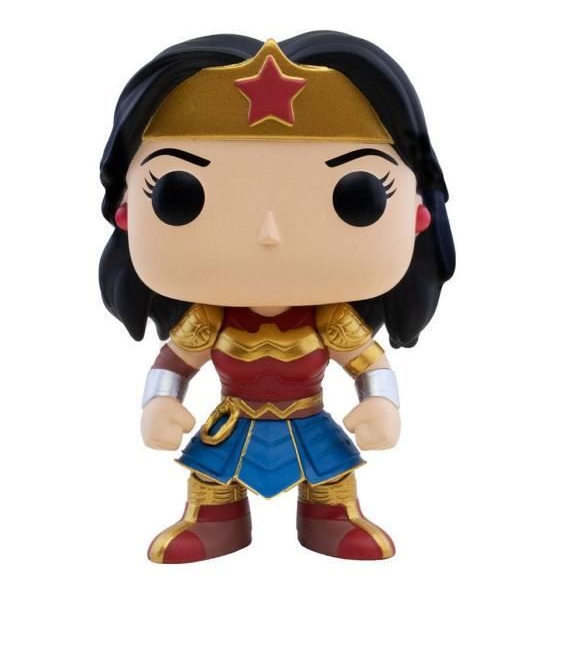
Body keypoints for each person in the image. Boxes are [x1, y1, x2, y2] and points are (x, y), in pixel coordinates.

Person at [99, 32, 455, 563]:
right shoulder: (208, 318)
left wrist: (381, 401)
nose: (269, 234)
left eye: (357, 196)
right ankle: (213, 519)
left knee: (330, 474)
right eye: (178, 194)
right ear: (126, 213)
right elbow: (175, 362)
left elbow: (368, 362)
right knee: (211, 476)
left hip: (306, 416)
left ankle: (332, 517)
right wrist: (161, 401)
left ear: (417, 215)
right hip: (233, 417)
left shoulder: (331, 318)